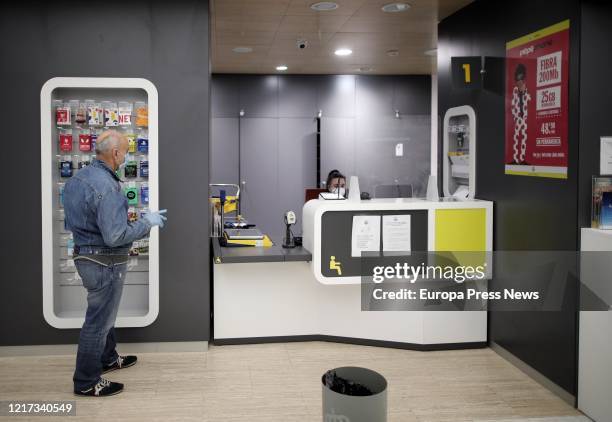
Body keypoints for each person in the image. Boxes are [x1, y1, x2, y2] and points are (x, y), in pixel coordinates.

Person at [64, 130, 167, 397]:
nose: (126, 157)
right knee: (98, 321)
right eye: (125, 151)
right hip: (104, 261)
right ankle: (86, 381)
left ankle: (108, 358)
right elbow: (115, 236)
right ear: (115, 153)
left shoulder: (78, 179)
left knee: (104, 313)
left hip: (86, 256)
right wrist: (147, 222)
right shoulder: (107, 187)